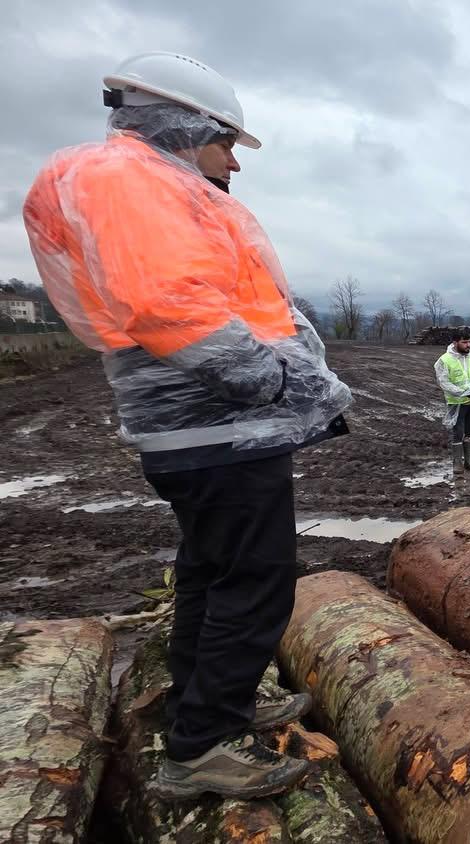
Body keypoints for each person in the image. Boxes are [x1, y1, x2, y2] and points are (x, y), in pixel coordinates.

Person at [24, 51, 353, 798]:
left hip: (207, 431)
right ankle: (202, 746)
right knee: (255, 581)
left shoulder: (136, 183)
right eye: (228, 141)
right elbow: (169, 304)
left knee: (213, 571)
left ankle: (203, 703)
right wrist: (270, 379)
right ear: (187, 124)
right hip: (219, 426)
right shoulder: (131, 182)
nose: (234, 161)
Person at [436, 330, 470, 472]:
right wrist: (463, 392)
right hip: (457, 403)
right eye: (464, 342)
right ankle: (457, 463)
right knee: (458, 432)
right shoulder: (444, 360)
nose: (468, 345)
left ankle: (469, 461)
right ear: (455, 343)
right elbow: (444, 382)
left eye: (469, 342)